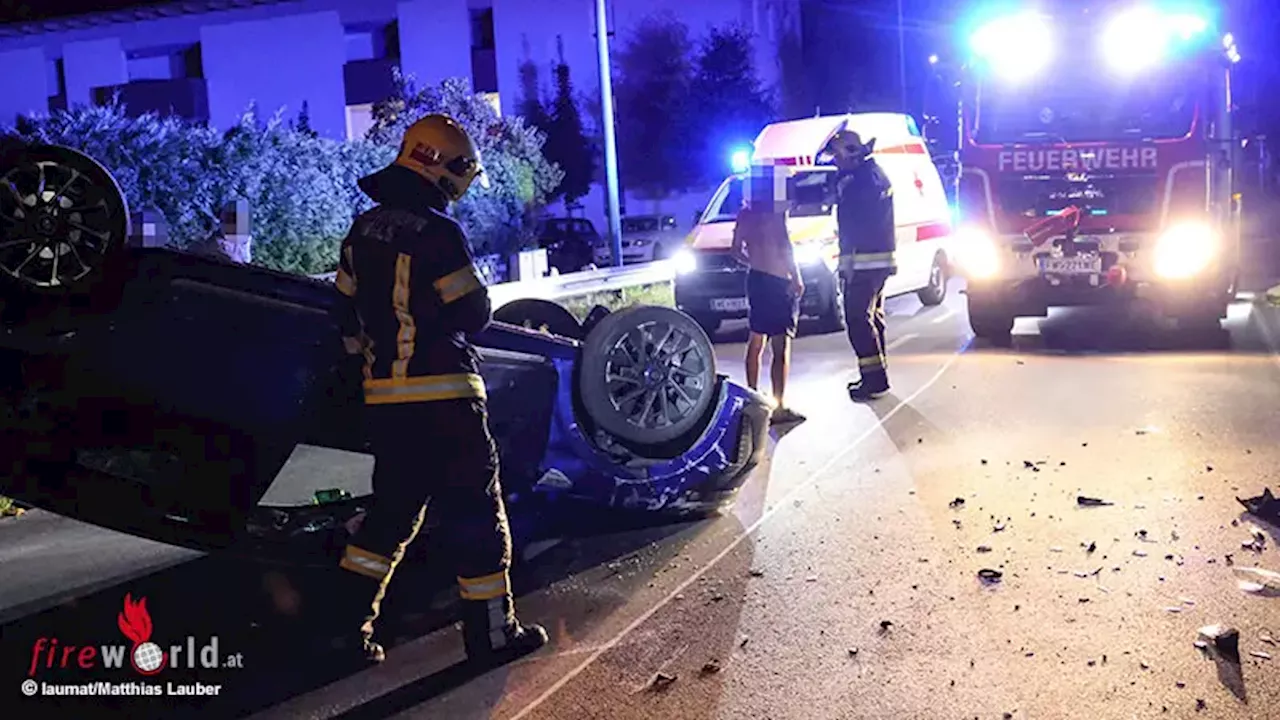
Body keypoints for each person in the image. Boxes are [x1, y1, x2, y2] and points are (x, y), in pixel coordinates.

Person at [326, 114, 548, 668]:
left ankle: (344, 633)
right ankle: (493, 636)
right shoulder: (439, 233)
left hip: (386, 406)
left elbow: (343, 315)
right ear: (444, 168)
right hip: (446, 400)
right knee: (475, 514)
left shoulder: (362, 231)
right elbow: (473, 314)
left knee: (389, 519)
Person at [730, 164, 806, 424]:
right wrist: (796, 277)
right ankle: (780, 406)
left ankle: (753, 396)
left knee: (756, 340)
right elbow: (785, 247)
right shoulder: (777, 214)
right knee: (780, 345)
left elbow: (735, 250)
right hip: (777, 282)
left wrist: (755, 262)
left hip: (756, 280)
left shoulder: (745, 214)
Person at [826, 129, 897, 401]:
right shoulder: (871, 175)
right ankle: (877, 375)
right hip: (875, 261)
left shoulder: (862, 181)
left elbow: (855, 227)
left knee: (857, 318)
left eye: (837, 155)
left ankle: (875, 381)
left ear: (853, 152)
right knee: (872, 317)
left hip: (865, 263)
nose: (834, 162)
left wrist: (849, 264)